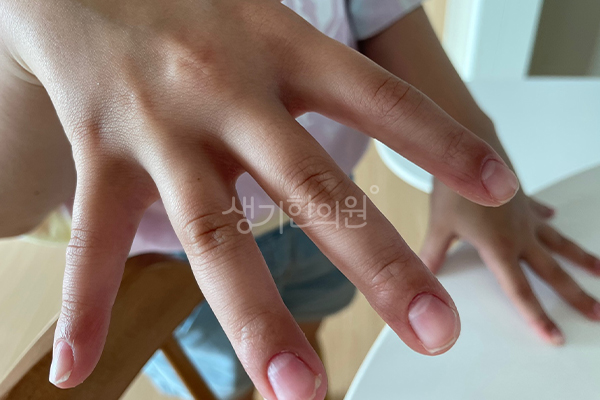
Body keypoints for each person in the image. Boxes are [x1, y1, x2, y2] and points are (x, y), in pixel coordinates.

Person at [0, 0, 598, 399]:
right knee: (229, 372)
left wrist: (470, 141)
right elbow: (11, 209)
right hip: (175, 260)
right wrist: (20, 41)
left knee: (309, 323)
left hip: (332, 220)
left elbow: (382, 12)